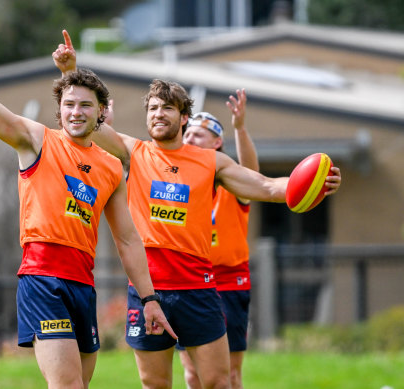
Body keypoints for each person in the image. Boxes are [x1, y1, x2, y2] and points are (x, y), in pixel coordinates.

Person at [53, 31, 342, 389]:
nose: (159, 115)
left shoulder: (211, 162)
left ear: (184, 116)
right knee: (155, 384)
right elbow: (86, 120)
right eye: (153, 109)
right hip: (147, 291)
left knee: (218, 383)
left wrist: (314, 183)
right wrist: (71, 71)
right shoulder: (135, 152)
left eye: (168, 108)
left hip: (198, 289)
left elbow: (267, 186)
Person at [0, 17, 176, 389]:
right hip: (43, 278)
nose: (76, 112)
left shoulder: (112, 167)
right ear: (59, 109)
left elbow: (127, 240)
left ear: (101, 112)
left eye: (85, 105)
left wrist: (149, 299)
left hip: (83, 283)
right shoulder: (36, 140)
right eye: (68, 104)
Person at [177, 90, 257, 389]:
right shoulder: (176, 181)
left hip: (228, 280)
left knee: (230, 375)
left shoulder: (229, 181)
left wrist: (240, 127)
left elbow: (252, 173)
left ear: (217, 143)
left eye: (198, 134)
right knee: (192, 373)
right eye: (188, 134)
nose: (190, 139)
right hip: (189, 279)